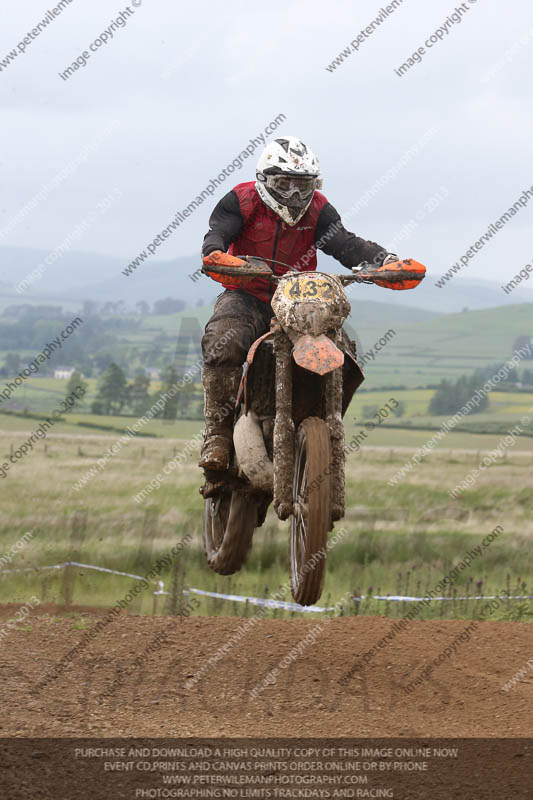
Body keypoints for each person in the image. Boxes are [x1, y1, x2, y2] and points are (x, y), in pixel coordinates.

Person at [199, 135, 397, 471]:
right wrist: (216, 255)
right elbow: (217, 234)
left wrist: (385, 261)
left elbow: (345, 244)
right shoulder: (241, 200)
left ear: (314, 185)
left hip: (297, 302)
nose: (293, 194)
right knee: (223, 340)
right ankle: (217, 433)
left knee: (343, 350)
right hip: (247, 294)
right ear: (265, 181)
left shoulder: (318, 208)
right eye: (284, 183)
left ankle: (321, 421)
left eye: (302, 185)